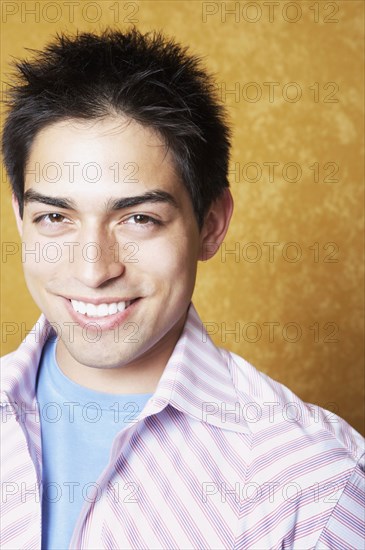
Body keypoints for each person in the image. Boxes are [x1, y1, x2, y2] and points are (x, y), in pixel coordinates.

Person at [1, 27, 364, 550]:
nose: (92, 269)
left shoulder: (318, 485)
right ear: (20, 218)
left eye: (139, 219)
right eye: (55, 216)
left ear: (211, 224)